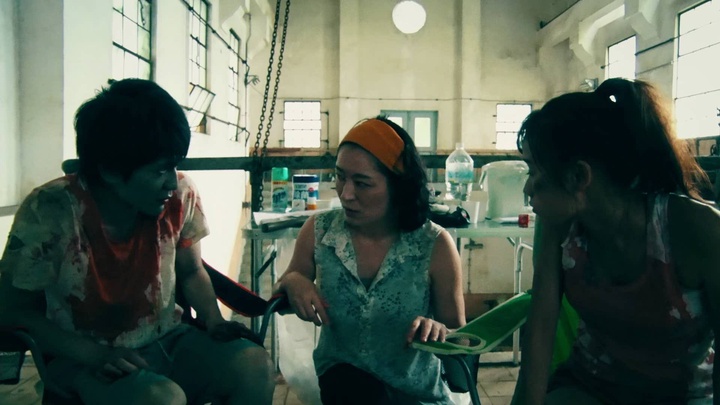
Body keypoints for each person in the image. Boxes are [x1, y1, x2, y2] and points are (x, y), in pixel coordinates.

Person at [0, 79, 275, 405]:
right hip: (81, 356)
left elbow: (191, 271)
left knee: (255, 365)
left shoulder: (180, 195)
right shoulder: (50, 210)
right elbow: (13, 310)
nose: (172, 182)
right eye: (159, 171)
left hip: (168, 339)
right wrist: (94, 355)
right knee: (161, 398)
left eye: (174, 166)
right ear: (111, 171)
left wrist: (213, 320)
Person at [511, 78, 719, 405]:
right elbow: (541, 327)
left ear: (579, 177)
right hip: (590, 388)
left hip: (684, 396)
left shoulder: (695, 229)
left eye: (533, 172)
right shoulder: (557, 226)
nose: (527, 189)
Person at [273, 116, 466, 404]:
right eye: (340, 177)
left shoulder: (434, 245)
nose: (346, 194)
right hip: (344, 386)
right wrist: (293, 280)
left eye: (362, 183)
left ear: (398, 186)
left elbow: (461, 348)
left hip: (416, 396)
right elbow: (281, 293)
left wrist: (441, 333)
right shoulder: (320, 232)